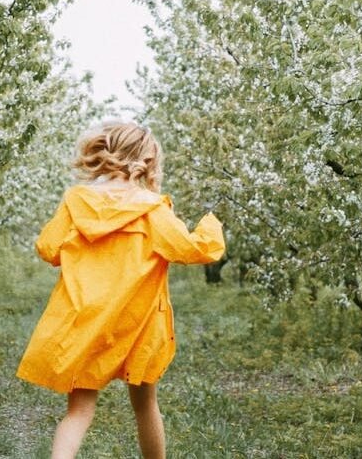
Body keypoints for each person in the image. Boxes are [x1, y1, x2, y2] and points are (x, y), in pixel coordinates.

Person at [16, 121, 225, 459]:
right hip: (136, 323)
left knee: (79, 412)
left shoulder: (76, 200)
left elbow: (48, 248)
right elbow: (192, 250)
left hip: (86, 319)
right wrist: (211, 224)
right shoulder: (152, 209)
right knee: (145, 405)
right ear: (144, 161)